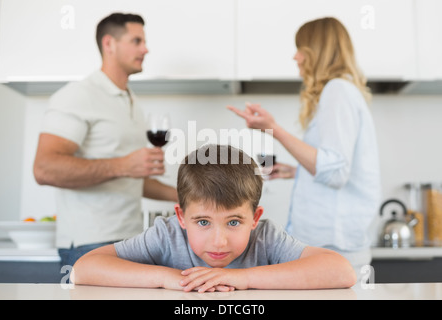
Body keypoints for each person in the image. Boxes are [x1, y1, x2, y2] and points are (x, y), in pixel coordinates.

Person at [72, 144, 356, 291]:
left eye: (234, 222)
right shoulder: (167, 235)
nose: (218, 241)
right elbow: (84, 268)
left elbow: (342, 271)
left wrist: (243, 278)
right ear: (181, 217)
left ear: (255, 218)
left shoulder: (265, 238)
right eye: (203, 222)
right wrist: (167, 277)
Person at [227, 17, 381, 279]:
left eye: (301, 49)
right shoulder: (341, 92)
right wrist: (296, 172)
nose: (296, 57)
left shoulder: (338, 91)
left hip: (333, 244)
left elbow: (335, 171)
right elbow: (340, 167)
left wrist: (272, 128)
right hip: (334, 242)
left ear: (316, 52)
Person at [33, 13, 178, 267]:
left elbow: (131, 179)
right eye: (136, 41)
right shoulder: (78, 95)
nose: (146, 49)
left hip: (129, 240)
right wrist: (123, 165)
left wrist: (186, 196)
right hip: (88, 245)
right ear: (109, 44)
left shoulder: (131, 101)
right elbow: (44, 169)